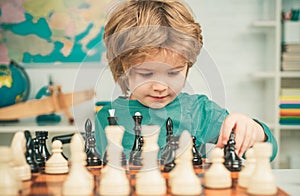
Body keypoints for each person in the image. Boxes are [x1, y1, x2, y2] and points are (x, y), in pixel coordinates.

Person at [95, 0, 277, 161]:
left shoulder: (201, 112)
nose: (160, 87)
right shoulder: (107, 117)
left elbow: (269, 151)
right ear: (123, 68)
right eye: (146, 74)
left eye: (173, 73)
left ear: (188, 66)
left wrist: (255, 131)